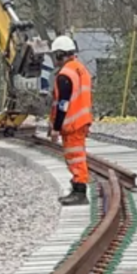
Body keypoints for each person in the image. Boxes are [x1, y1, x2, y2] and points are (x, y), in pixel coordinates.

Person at [47, 35, 93, 206]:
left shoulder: (65, 75)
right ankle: (77, 187)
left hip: (72, 124)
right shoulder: (81, 70)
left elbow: (63, 104)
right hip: (82, 120)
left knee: (75, 158)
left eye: (55, 56)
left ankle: (80, 192)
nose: (55, 61)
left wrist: (56, 127)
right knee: (78, 156)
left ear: (60, 54)